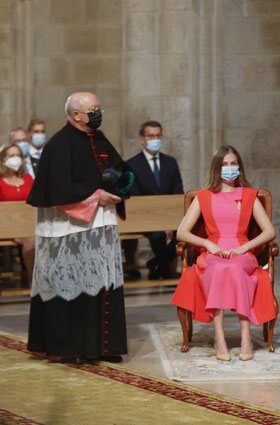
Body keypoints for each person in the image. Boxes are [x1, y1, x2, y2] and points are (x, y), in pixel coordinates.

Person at [26, 92, 128, 364]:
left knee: (101, 282)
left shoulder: (100, 139)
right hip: (68, 228)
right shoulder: (59, 145)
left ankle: (102, 347)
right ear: (76, 115)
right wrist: (96, 197)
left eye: (98, 107)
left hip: (101, 224)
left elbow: (121, 171)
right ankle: (68, 348)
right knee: (70, 284)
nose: (98, 113)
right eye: (92, 109)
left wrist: (122, 190)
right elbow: (58, 188)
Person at [171, 145, 276, 361]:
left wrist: (244, 247)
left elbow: (269, 231)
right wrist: (207, 244)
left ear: (239, 167)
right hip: (213, 250)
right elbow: (181, 232)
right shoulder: (203, 197)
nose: (230, 168)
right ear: (217, 168)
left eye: (233, 163)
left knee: (236, 268)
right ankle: (219, 337)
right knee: (219, 268)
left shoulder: (249, 195)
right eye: (225, 164)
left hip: (241, 250)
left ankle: (246, 336)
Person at [124, 120, 184, 280]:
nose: (155, 139)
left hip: (171, 217)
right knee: (157, 235)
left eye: (158, 135)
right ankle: (164, 271)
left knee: (186, 233)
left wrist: (170, 221)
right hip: (144, 219)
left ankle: (155, 263)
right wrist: (160, 221)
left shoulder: (170, 163)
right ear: (142, 139)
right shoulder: (131, 165)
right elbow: (135, 198)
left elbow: (178, 193)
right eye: (151, 136)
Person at [0, 144, 36, 285]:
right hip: (7, 228)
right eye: (11, 156)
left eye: (18, 156)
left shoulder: (27, 179)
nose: (16, 159)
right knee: (30, 241)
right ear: (3, 160)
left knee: (39, 238)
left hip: (28, 226)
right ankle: (33, 283)